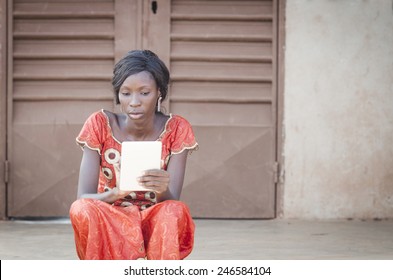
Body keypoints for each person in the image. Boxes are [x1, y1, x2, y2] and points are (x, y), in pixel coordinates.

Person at [69, 50, 198, 260]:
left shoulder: (176, 128)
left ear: (159, 93)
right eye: (126, 93)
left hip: (153, 219)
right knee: (81, 208)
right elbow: (84, 196)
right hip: (111, 216)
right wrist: (116, 193)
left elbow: (172, 200)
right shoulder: (100, 124)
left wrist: (162, 188)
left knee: (174, 210)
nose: (134, 102)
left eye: (144, 93)